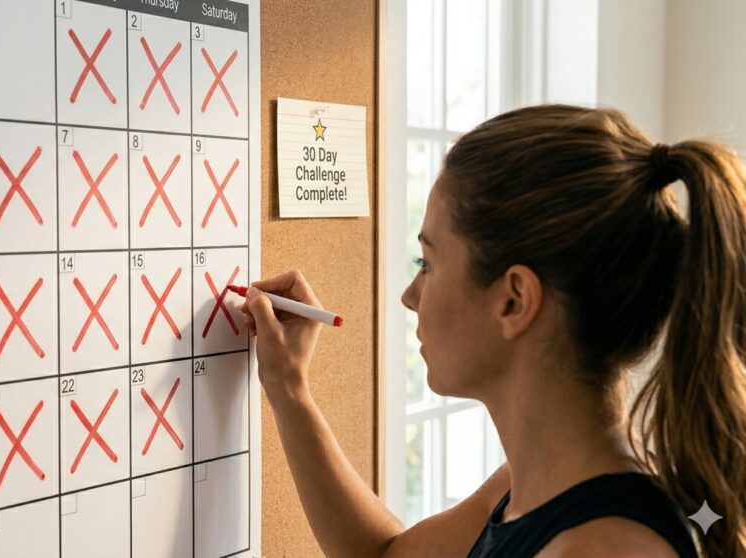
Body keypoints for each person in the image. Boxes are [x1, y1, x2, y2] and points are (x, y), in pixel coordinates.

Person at [240, 104, 746, 557]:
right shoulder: (532, 488)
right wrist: (289, 387)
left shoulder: (603, 547)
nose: (410, 296)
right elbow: (385, 555)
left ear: (514, 301)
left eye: (427, 263)